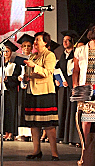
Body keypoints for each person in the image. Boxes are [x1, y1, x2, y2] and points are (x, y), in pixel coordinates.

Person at [23, 31, 59, 161]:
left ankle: (54, 153)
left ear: (45, 42)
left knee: (48, 124)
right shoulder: (33, 56)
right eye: (35, 40)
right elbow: (29, 73)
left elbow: (48, 72)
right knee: (34, 123)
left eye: (38, 39)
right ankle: (36, 150)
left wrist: (34, 67)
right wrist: (26, 77)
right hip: (31, 91)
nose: (35, 42)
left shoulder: (49, 55)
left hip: (45, 92)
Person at [55, 30, 80, 145]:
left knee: (72, 110)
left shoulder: (76, 54)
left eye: (67, 40)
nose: (64, 42)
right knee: (62, 109)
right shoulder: (62, 55)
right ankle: (61, 136)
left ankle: (72, 138)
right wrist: (57, 80)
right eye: (63, 40)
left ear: (72, 42)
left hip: (71, 87)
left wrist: (69, 82)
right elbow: (57, 70)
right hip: (62, 88)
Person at [0, 40, 21, 141]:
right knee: (3, 112)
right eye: (4, 51)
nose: (5, 53)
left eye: (7, 51)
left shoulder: (15, 65)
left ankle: (11, 133)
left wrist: (8, 79)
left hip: (11, 91)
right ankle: (5, 132)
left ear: (11, 53)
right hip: (1, 90)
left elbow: (16, 78)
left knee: (10, 112)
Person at [16, 34, 34, 142]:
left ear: (32, 47)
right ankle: (21, 133)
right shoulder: (18, 59)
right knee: (21, 109)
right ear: (21, 48)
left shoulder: (34, 59)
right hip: (21, 87)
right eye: (24, 46)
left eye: (28, 46)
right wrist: (17, 76)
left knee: (29, 109)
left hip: (31, 87)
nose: (26, 48)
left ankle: (31, 133)